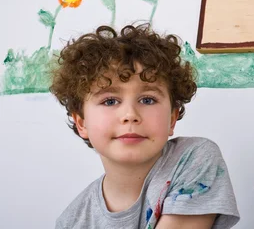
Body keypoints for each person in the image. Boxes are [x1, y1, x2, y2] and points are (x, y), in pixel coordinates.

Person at [50, 24, 240, 229]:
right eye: (110, 101)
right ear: (82, 123)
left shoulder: (195, 159)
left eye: (148, 100)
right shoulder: (72, 221)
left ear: (172, 119)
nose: (130, 115)